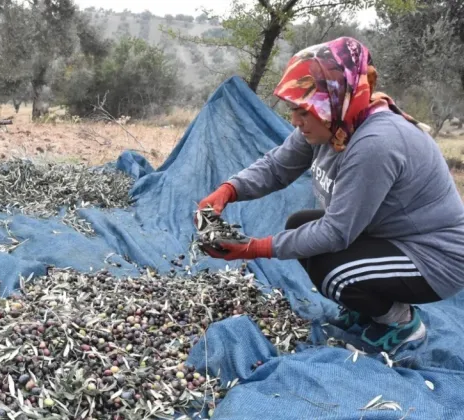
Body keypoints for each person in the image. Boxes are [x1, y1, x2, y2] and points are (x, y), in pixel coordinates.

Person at [196, 37, 464, 354]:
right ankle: (369, 306)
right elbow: (276, 168)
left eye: (304, 111)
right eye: (294, 110)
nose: (295, 121)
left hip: (433, 257)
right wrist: (230, 190)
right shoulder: (333, 122)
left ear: (335, 100)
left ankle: (402, 324)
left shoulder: (376, 144)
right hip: (389, 237)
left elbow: (336, 233)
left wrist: (254, 248)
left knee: (335, 273)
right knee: (299, 225)